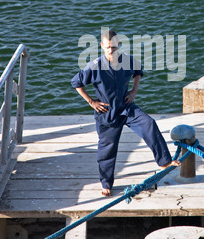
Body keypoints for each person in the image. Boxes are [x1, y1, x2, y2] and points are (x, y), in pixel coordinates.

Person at [71, 29, 180, 196]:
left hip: (126, 107)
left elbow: (138, 72)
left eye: (114, 47)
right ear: (101, 46)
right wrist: (91, 102)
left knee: (149, 124)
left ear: (119, 45)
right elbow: (77, 83)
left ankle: (164, 161)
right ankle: (106, 183)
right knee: (107, 149)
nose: (110, 50)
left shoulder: (129, 61)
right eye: (107, 47)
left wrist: (134, 91)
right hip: (107, 113)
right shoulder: (94, 66)